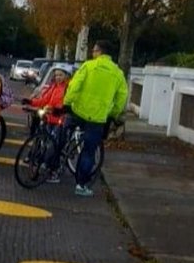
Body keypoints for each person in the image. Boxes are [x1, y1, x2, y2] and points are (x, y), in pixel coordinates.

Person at [63, 40, 128, 197]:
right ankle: (81, 185)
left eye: (94, 51)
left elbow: (74, 86)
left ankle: (52, 163)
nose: (92, 53)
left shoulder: (88, 66)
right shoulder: (118, 73)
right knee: (89, 151)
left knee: (62, 130)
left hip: (78, 111)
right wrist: (112, 113)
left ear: (99, 52)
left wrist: (67, 102)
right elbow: (122, 97)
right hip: (98, 118)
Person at [23, 66, 71, 183]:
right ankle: (42, 162)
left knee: (54, 146)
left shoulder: (68, 88)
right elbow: (44, 100)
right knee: (44, 141)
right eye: (56, 75)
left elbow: (68, 105)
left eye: (61, 75)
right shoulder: (53, 86)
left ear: (66, 76)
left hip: (60, 120)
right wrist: (31, 102)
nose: (58, 77)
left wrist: (59, 110)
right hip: (49, 118)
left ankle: (54, 171)